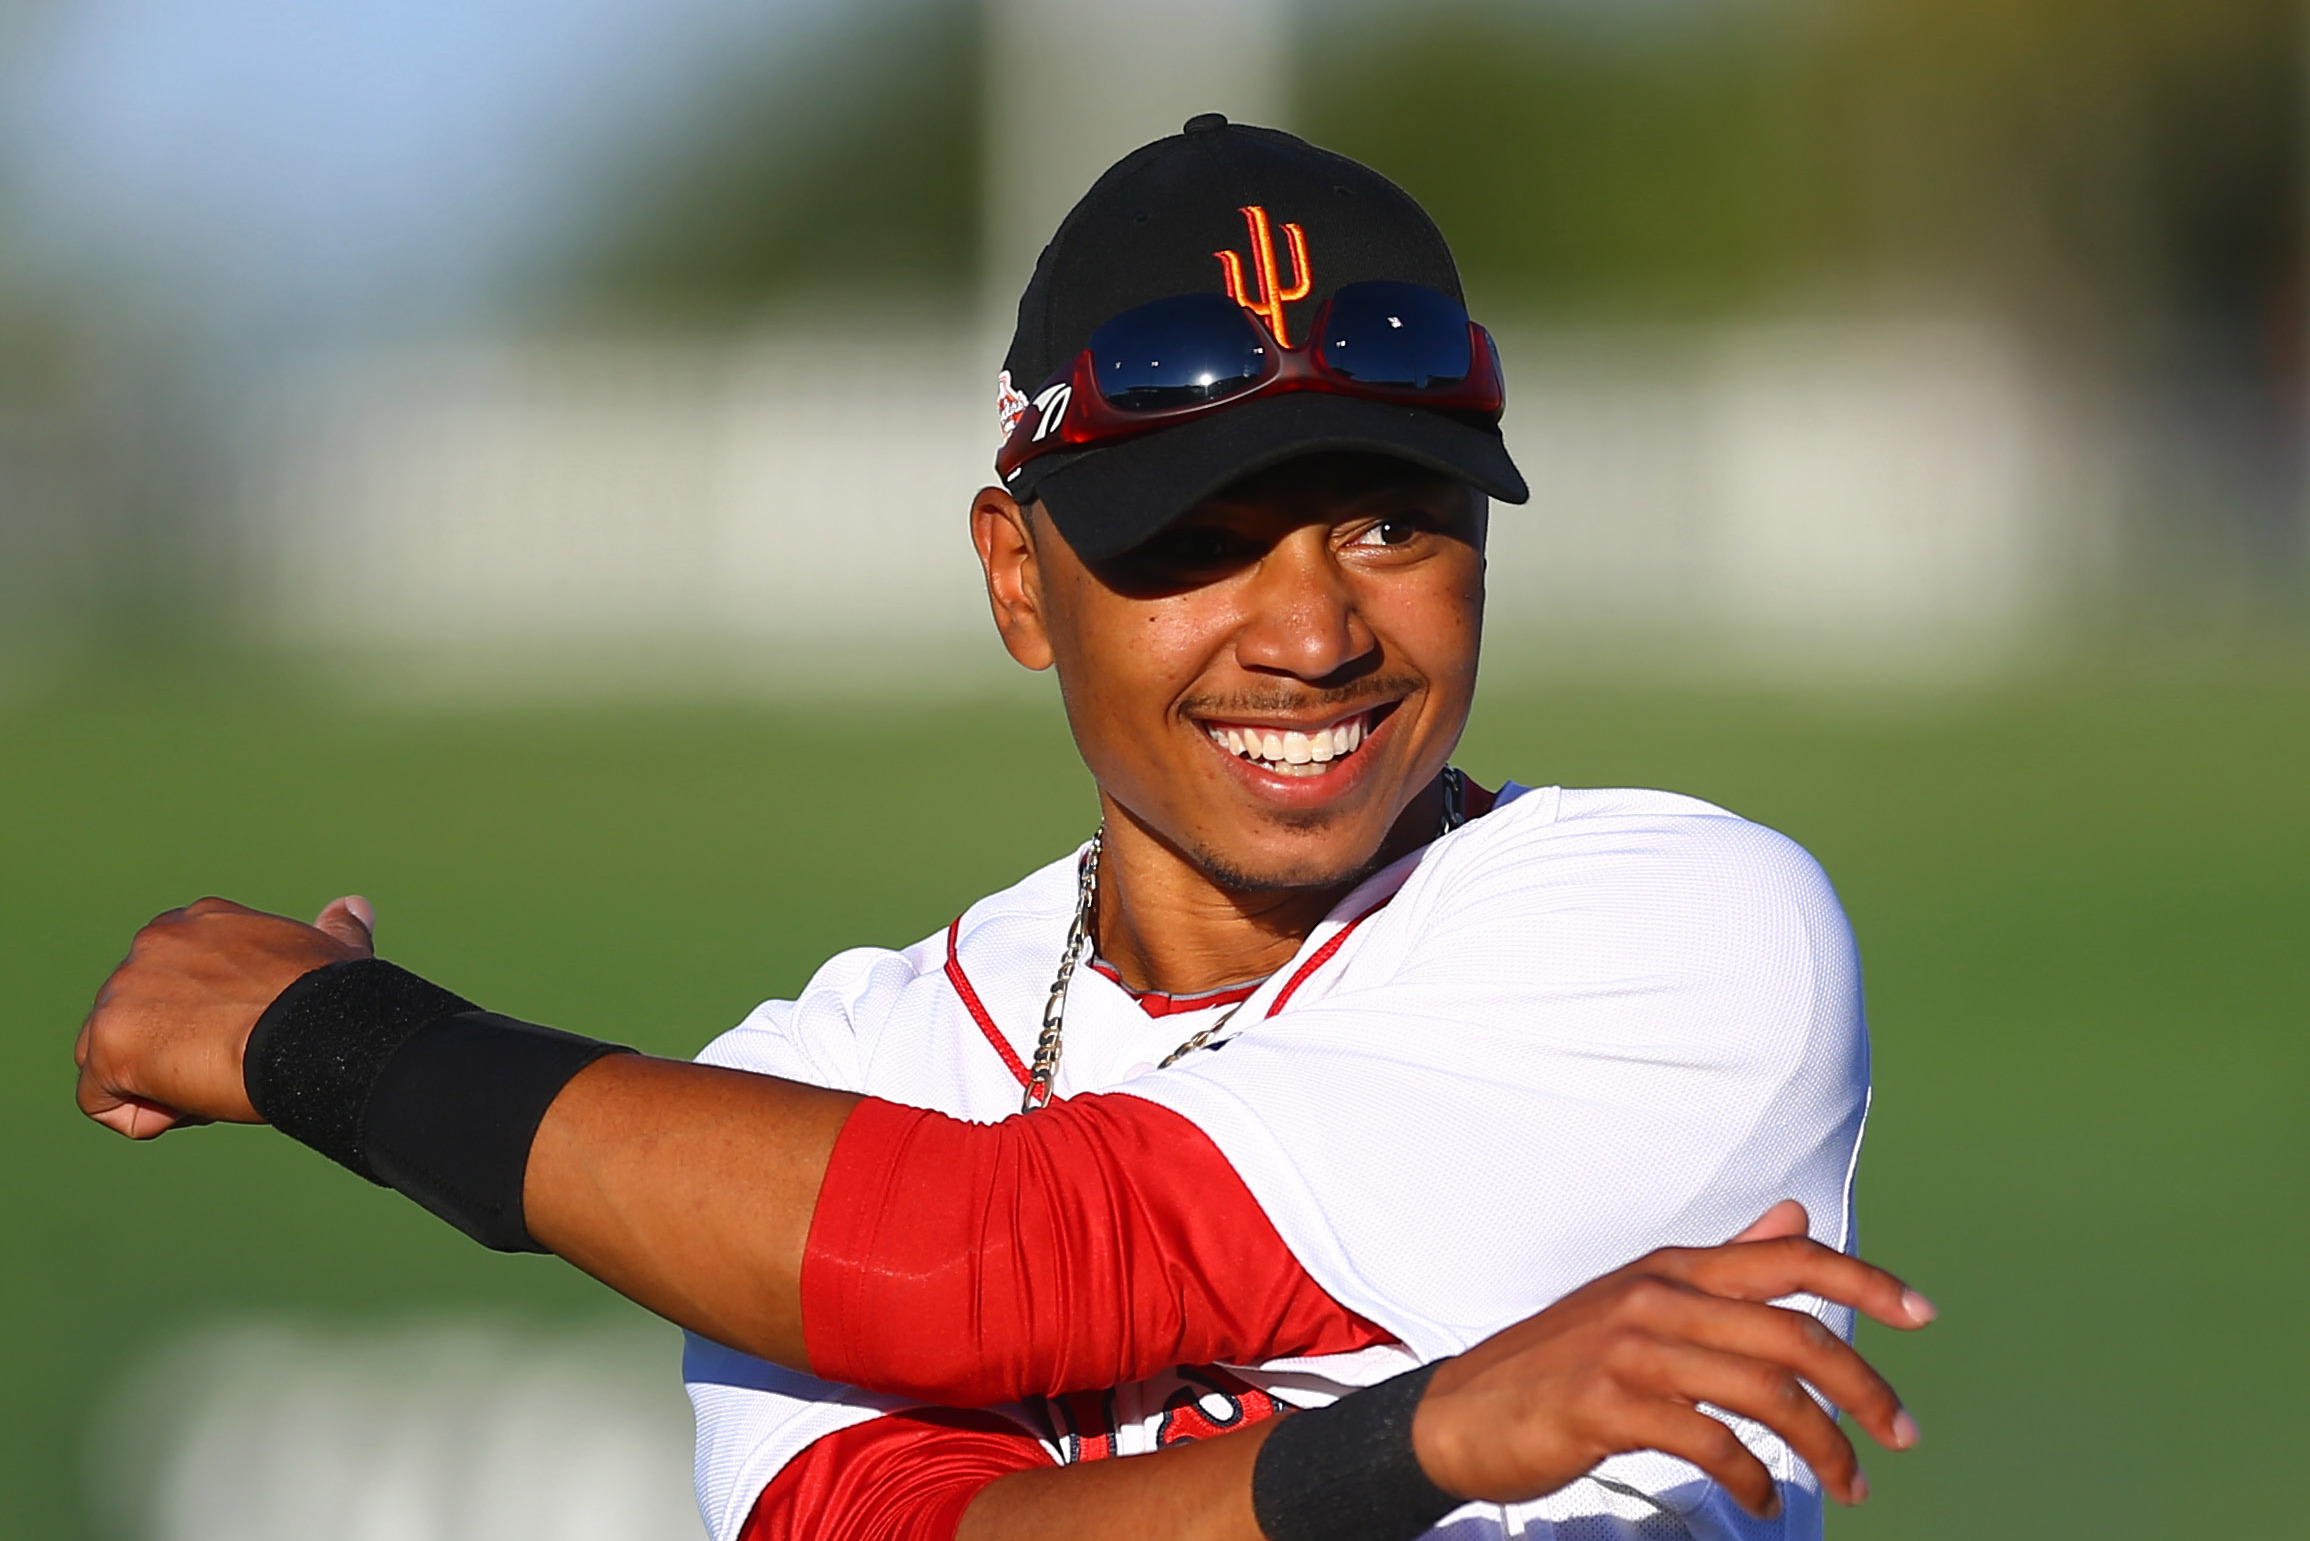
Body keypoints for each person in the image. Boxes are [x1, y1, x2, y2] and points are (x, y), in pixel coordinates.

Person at [73, 118, 1928, 1541]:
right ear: (1017, 579)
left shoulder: (1675, 929)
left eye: (1390, 521)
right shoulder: (838, 1072)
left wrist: (323, 1042)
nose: (1309, 632)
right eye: (1196, 538)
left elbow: (1010, 1256)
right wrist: (1412, 1443)